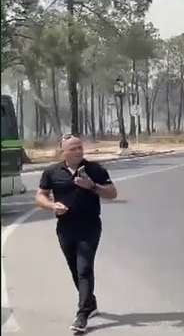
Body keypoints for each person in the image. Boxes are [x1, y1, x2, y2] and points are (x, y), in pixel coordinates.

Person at [35, 135, 118, 334]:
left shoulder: (94, 170)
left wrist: (92, 186)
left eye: (80, 147)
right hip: (65, 227)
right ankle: (91, 302)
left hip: (89, 226)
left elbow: (113, 193)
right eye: (73, 149)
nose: (78, 151)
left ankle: (82, 315)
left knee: (84, 268)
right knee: (75, 269)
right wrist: (52, 205)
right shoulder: (52, 172)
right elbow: (40, 195)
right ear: (63, 151)